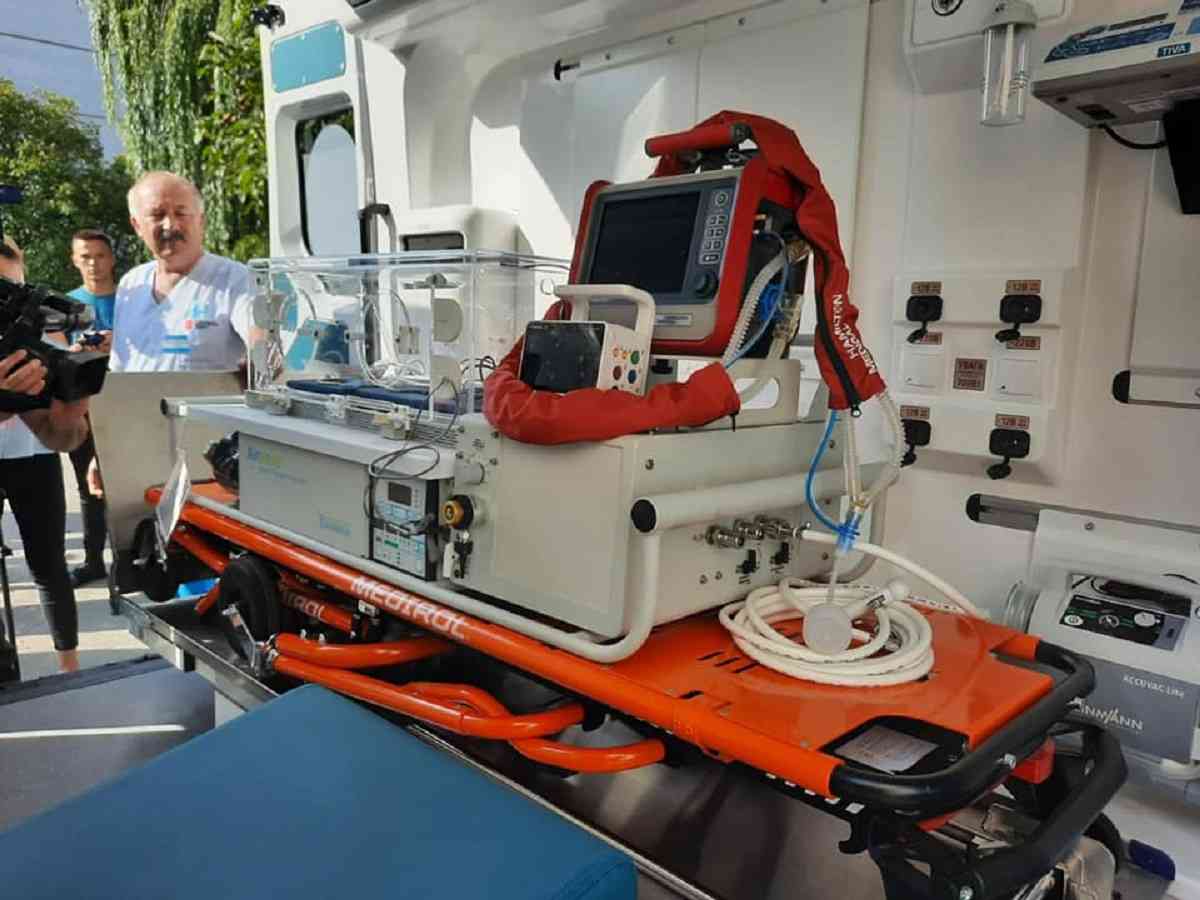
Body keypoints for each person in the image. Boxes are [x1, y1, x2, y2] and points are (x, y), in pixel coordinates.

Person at [88, 171, 255, 499]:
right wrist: (104, 451)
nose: (170, 225)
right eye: (157, 214)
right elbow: (120, 377)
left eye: (181, 213)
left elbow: (264, 351)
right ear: (137, 225)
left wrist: (260, 356)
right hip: (136, 453)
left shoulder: (235, 280)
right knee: (134, 532)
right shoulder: (131, 284)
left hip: (210, 460)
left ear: (201, 220)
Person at [0, 237, 94, 673]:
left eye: (16, 292)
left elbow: (61, 436)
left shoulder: (35, 343)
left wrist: (71, 412)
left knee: (49, 566)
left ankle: (70, 674)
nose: (12, 311)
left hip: (32, 461)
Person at [65, 230, 117, 587]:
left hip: (126, 404)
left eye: (99, 255)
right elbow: (55, 359)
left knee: (129, 487)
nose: (93, 264)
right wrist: (77, 352)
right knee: (89, 489)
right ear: (75, 260)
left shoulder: (132, 299)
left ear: (111, 259)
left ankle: (131, 560)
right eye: (85, 256)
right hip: (83, 407)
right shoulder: (65, 306)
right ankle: (94, 560)